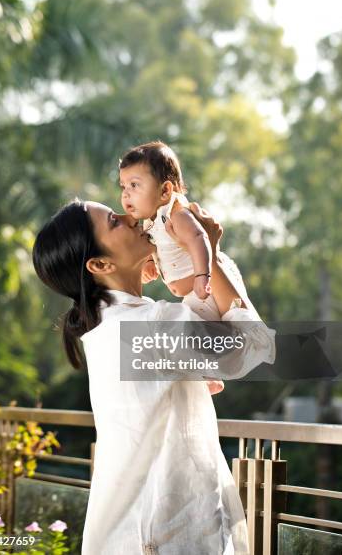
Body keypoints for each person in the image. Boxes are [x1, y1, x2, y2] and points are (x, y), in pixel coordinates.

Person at [32, 198, 276, 554]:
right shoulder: (143, 325)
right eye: (115, 222)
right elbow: (255, 345)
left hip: (139, 529)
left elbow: (206, 323)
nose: (132, 218)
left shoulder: (115, 326)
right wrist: (208, 253)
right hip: (164, 533)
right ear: (100, 263)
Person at [119, 140, 245, 321]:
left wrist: (203, 275)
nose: (125, 193)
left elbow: (199, 238)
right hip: (196, 292)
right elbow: (151, 244)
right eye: (123, 186)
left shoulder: (176, 214)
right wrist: (148, 262)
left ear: (165, 190)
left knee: (208, 337)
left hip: (208, 286)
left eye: (134, 185)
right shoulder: (150, 220)